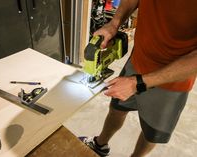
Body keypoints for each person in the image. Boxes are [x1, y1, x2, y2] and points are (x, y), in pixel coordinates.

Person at [80, 0, 197, 156]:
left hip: (172, 79)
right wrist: (114, 23)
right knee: (117, 109)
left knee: (152, 133)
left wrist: (139, 83)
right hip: (138, 58)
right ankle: (100, 145)